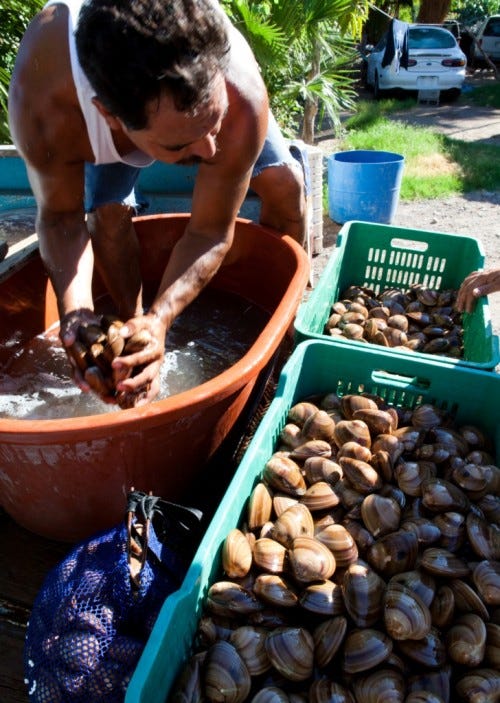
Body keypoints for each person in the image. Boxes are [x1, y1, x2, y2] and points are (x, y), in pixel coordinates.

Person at [8, 0, 306, 406]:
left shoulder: (238, 93)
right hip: (99, 95)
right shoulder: (44, 99)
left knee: (287, 185)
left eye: (213, 122)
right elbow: (61, 219)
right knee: (107, 216)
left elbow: (211, 230)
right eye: (180, 144)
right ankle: (134, 344)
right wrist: (76, 316)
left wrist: (161, 317)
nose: (209, 149)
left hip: (211, 91)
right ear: (110, 117)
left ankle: (282, 353)